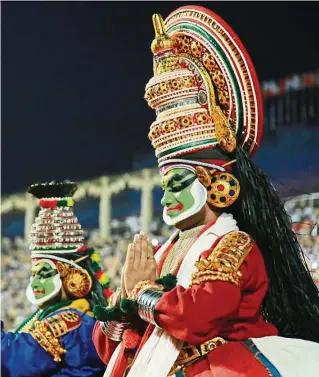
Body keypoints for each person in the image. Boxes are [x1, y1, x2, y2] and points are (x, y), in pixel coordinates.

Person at [92, 5, 319, 377]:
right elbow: (108, 347)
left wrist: (142, 292)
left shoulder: (234, 245)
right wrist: (126, 299)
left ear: (215, 181)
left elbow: (197, 317)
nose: (165, 198)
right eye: (164, 187)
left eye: (177, 183)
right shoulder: (164, 252)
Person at [1, 181, 112, 377]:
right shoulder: (65, 316)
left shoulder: (71, 321)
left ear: (72, 277)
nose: (35, 282)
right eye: (33, 274)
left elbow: (12, 360)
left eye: (44, 274)